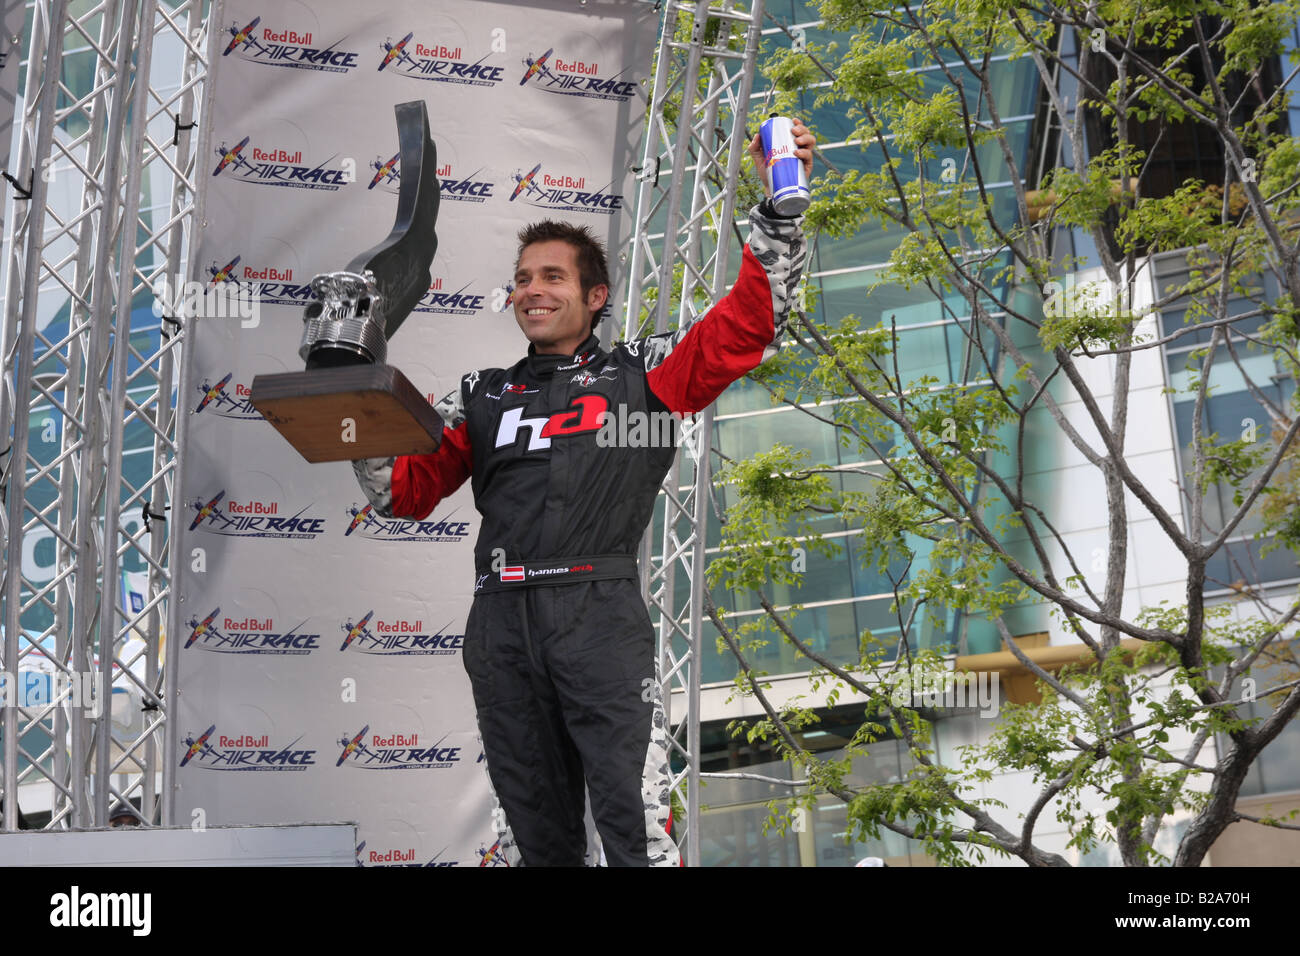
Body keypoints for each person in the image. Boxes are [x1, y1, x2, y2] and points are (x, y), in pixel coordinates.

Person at [351, 122, 815, 866]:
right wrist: (355, 394)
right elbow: (402, 491)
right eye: (522, 279)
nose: (532, 290)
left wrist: (777, 215)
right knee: (537, 838)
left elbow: (747, 325)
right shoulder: (481, 394)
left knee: (634, 827)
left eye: (552, 277)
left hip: (598, 616)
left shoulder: (645, 373)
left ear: (596, 296)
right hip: (501, 622)